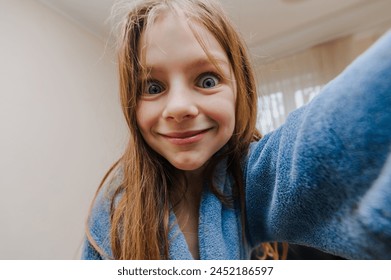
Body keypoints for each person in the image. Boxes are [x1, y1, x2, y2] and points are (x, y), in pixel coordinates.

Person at [82, 0, 391, 260]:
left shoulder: (254, 177)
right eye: (152, 86)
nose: (178, 107)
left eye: (207, 81)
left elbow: (328, 135)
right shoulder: (113, 212)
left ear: (239, 89)